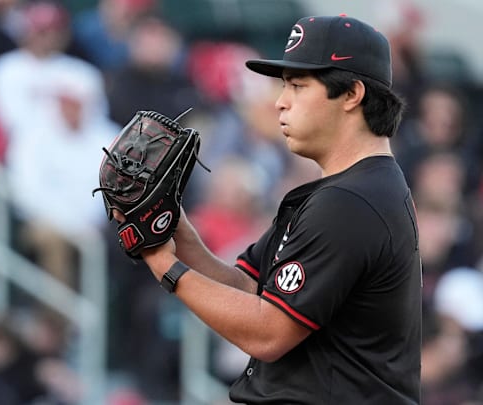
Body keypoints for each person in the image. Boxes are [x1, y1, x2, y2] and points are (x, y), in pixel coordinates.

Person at [114, 15, 422, 403]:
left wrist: (161, 262)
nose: (280, 101)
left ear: (351, 94)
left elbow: (268, 333)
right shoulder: (353, 190)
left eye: (297, 86)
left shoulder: (352, 202)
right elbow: (252, 290)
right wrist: (179, 232)